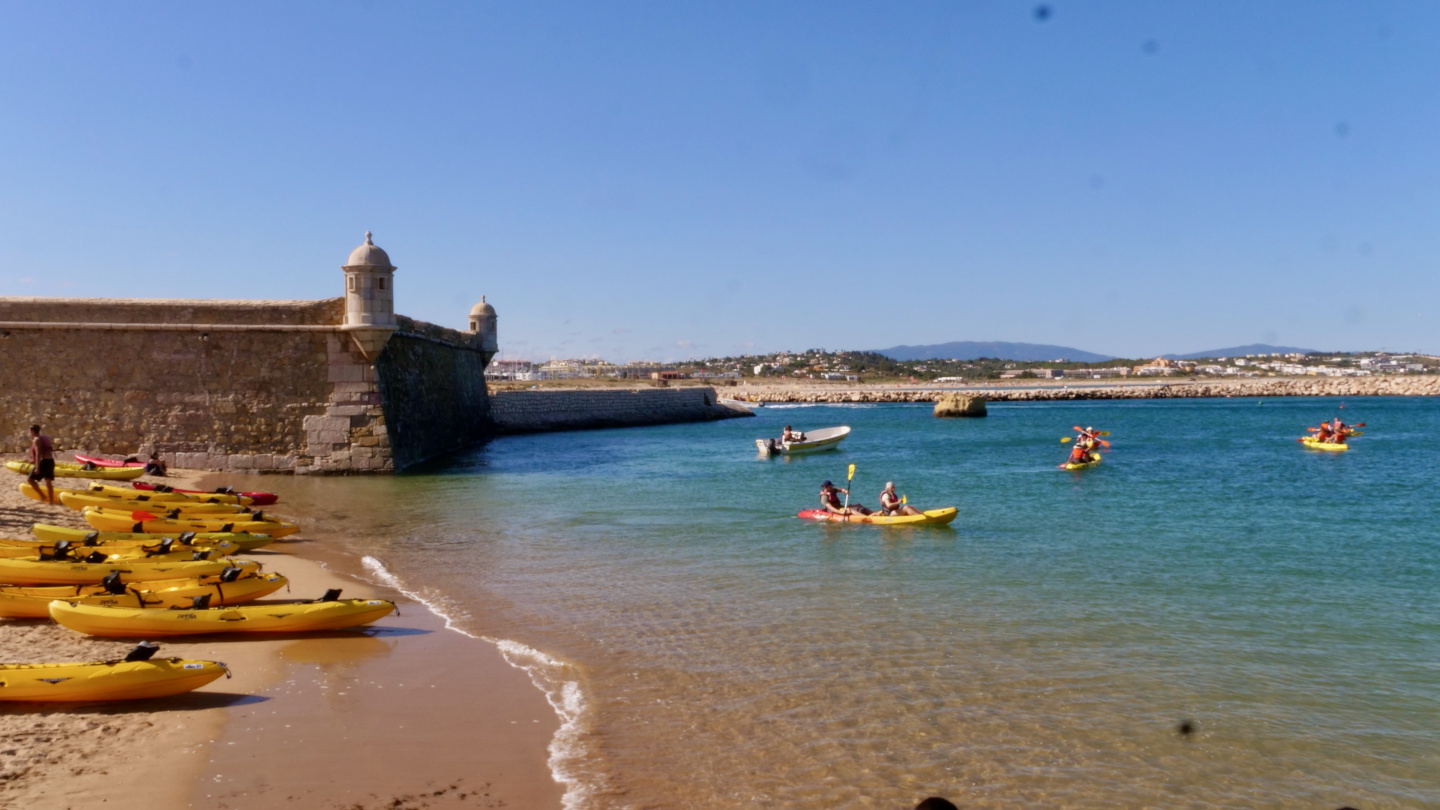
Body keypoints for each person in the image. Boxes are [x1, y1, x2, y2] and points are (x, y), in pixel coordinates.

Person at [27, 424, 56, 504]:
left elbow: (38, 454)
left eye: (29, 431)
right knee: (48, 481)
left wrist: (37, 467)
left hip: (43, 462)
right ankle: (51, 501)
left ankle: (42, 496)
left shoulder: (36, 440)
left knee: (30, 479)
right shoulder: (45, 438)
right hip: (50, 461)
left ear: (32, 431)